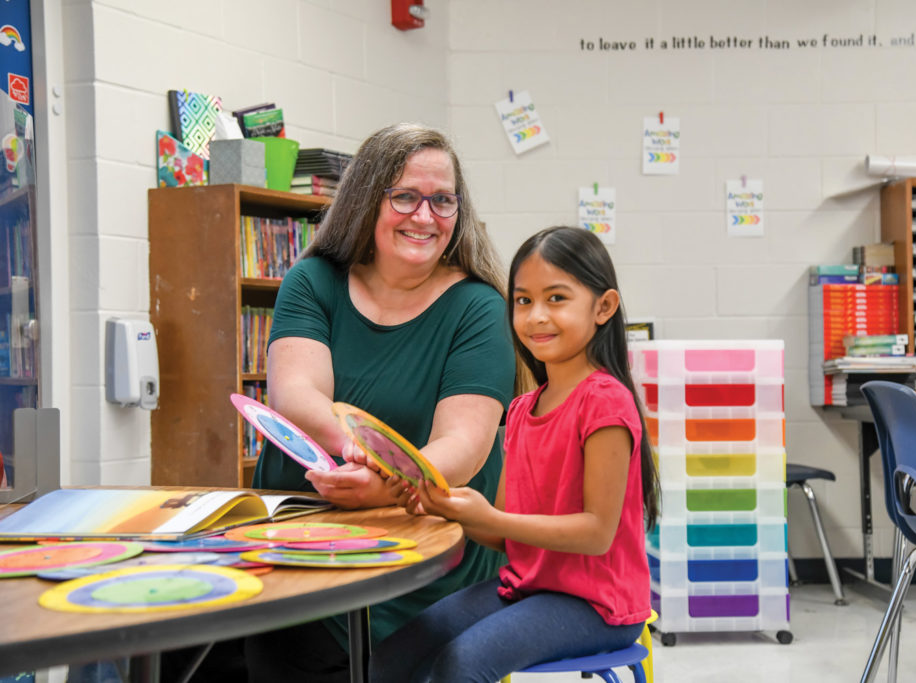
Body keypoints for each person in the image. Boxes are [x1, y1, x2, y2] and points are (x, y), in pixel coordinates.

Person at [241, 123, 518, 682]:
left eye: (443, 200)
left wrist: (390, 486)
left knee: (289, 655)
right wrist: (368, 460)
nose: (425, 216)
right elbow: (297, 395)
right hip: (300, 532)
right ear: (369, 198)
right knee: (171, 638)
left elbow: (463, 445)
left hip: (418, 550)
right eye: (406, 196)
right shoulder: (313, 279)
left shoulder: (479, 308)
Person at [369, 225, 661, 682]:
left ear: (603, 307)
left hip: (598, 605)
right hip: (530, 587)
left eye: (557, 298)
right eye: (523, 301)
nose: (536, 316)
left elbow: (597, 533)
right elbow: (506, 533)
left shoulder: (606, 401)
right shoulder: (523, 410)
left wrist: (491, 518)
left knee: (463, 664)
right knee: (394, 654)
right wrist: (449, 507)